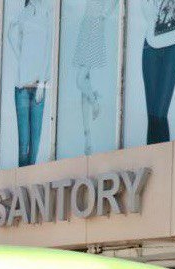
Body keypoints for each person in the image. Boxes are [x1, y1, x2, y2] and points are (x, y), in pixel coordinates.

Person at [7, 0, 52, 167]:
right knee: (23, 143)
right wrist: (22, 58)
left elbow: (49, 50)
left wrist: (42, 82)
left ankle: (29, 182)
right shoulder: (24, 13)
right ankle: (21, 184)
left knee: (35, 142)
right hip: (22, 86)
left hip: (39, 86)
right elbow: (10, 33)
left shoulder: (47, 13)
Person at [73, 0, 119, 155]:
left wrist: (104, 16)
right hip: (86, 25)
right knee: (84, 84)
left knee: (80, 81)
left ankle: (95, 102)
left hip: (94, 27)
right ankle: (87, 138)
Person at [140, 0, 175, 144]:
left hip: (173, 45)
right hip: (150, 47)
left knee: (159, 114)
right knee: (153, 117)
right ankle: (154, 161)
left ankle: (163, 161)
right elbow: (148, 14)